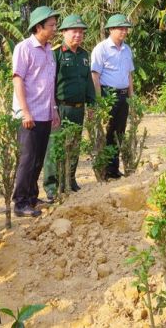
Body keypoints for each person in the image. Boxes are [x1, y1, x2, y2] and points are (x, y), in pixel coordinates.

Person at [12, 6, 60, 217]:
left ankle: (31, 196)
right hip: (29, 114)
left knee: (39, 158)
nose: (55, 29)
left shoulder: (49, 50)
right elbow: (18, 79)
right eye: (51, 25)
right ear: (39, 27)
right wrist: (25, 111)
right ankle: (20, 202)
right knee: (27, 159)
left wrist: (54, 109)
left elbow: (49, 83)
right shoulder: (24, 48)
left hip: (46, 113)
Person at [42, 14, 96, 200]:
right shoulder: (55, 53)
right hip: (61, 108)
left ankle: (70, 180)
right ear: (64, 32)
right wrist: (53, 107)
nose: (78, 35)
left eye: (81, 32)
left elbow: (88, 81)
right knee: (55, 146)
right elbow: (50, 83)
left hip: (78, 108)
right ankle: (51, 185)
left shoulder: (83, 55)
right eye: (74, 31)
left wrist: (91, 104)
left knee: (74, 146)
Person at [91, 13, 135, 179]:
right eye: (120, 28)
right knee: (107, 133)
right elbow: (95, 75)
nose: (123, 31)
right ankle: (105, 170)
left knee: (119, 133)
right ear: (110, 29)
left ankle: (114, 169)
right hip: (108, 95)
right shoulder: (101, 49)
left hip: (124, 96)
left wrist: (132, 97)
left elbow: (129, 75)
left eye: (125, 28)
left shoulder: (126, 49)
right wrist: (99, 100)